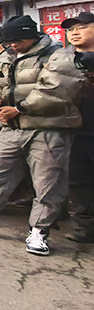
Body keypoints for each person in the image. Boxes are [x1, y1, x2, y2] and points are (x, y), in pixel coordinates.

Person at [0, 15, 83, 256]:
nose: (13, 45)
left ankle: (40, 231)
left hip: (48, 130)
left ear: (31, 35)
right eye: (9, 40)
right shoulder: (6, 58)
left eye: (18, 40)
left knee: (47, 182)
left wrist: (19, 108)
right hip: (12, 127)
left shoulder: (59, 55)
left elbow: (56, 91)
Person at [61, 12, 94, 243]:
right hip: (74, 128)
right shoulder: (63, 60)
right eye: (70, 29)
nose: (74, 32)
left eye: (81, 27)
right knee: (78, 179)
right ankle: (85, 225)